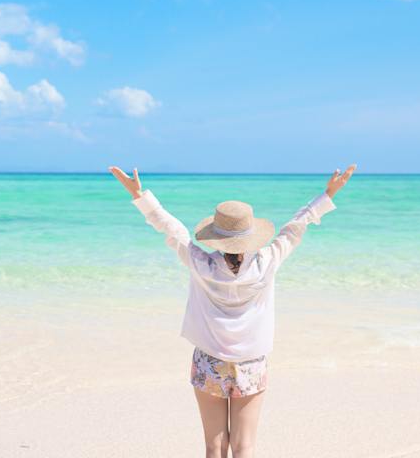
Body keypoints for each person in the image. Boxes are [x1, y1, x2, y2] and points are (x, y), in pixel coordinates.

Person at [108, 164, 357, 458]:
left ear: (216, 238)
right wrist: (327, 194)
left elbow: (172, 229)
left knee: (214, 447)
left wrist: (140, 195)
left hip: (208, 361)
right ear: (251, 236)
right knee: (245, 447)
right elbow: (294, 228)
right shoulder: (267, 261)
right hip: (251, 363)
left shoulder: (201, 264)